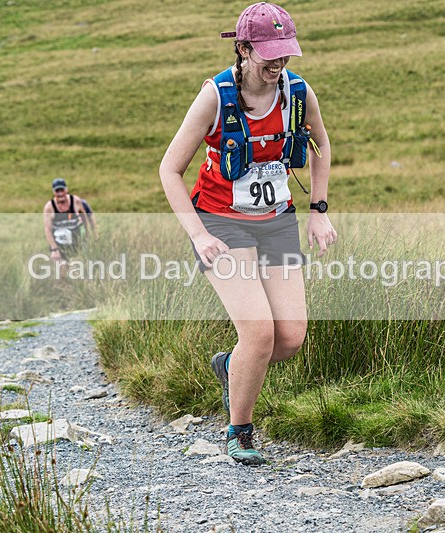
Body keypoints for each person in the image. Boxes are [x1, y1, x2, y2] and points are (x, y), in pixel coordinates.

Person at [159, 2, 337, 465]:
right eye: (268, 57)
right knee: (258, 333)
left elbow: (321, 144)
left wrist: (318, 210)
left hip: (277, 220)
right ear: (243, 49)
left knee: (290, 338)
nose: (278, 66)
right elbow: (169, 170)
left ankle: (229, 366)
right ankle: (240, 432)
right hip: (220, 220)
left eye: (285, 56)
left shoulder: (298, 92)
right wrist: (198, 235)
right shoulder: (215, 97)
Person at [43, 178, 90, 263]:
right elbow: (47, 230)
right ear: (54, 192)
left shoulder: (75, 201)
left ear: (66, 190)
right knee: (62, 270)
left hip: (76, 241)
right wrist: (54, 250)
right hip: (59, 244)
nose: (60, 194)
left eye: (62, 190)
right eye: (57, 191)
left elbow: (84, 217)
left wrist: (87, 234)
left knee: (77, 269)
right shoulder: (49, 208)